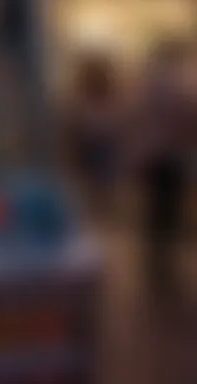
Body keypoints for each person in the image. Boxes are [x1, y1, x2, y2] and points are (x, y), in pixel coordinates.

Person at [137, 39, 194, 293]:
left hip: (153, 150)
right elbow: (181, 116)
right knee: (167, 204)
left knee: (158, 204)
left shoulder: (149, 83)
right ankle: (163, 255)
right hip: (167, 152)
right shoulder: (171, 83)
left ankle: (158, 257)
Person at [64, 51, 125, 223]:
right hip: (93, 146)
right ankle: (97, 218)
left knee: (100, 189)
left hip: (100, 146)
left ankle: (99, 217)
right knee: (96, 190)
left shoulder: (104, 98)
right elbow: (72, 130)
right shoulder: (83, 100)